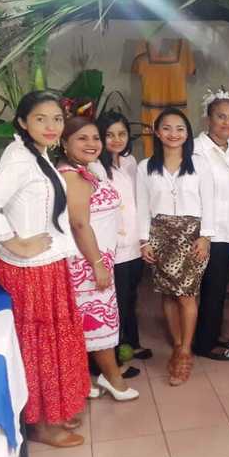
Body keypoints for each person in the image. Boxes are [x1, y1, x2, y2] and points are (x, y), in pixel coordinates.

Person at [0, 90, 90, 447]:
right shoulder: (19, 159)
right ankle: (42, 423)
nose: (51, 126)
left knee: (53, 342)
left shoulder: (37, 154)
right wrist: (16, 243)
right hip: (31, 272)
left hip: (47, 266)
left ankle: (54, 410)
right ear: (22, 122)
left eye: (57, 119)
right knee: (40, 347)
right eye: (40, 119)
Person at [58, 117, 139, 401]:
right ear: (64, 142)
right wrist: (96, 265)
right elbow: (79, 223)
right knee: (98, 324)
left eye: (95, 137)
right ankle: (114, 379)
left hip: (98, 259)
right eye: (82, 138)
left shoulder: (87, 170)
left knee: (90, 324)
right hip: (86, 263)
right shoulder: (72, 175)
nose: (91, 143)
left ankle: (83, 381)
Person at [137, 108, 214, 386]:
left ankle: (184, 353)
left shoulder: (200, 164)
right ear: (157, 133)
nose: (173, 134)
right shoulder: (145, 166)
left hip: (192, 236)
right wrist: (144, 240)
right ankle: (178, 343)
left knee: (187, 295)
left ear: (187, 133)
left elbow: (209, 201)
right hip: (159, 235)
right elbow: (142, 205)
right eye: (167, 128)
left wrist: (206, 237)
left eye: (180, 128)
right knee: (168, 294)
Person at [193, 91, 229, 361]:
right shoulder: (196, 150)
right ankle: (204, 344)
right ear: (208, 119)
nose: (227, 122)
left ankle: (213, 333)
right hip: (210, 232)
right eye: (220, 116)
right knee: (211, 288)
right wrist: (203, 233)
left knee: (219, 286)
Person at [96, 111, 152, 370]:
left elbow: (138, 201)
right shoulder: (96, 167)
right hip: (112, 247)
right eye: (109, 135)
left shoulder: (130, 162)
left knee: (130, 296)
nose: (116, 139)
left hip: (134, 244)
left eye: (121, 134)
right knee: (115, 300)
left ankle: (132, 341)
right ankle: (115, 353)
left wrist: (144, 239)